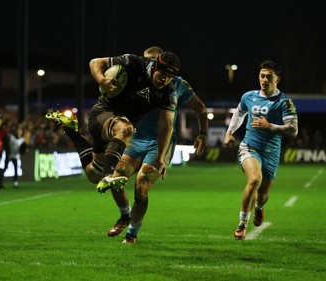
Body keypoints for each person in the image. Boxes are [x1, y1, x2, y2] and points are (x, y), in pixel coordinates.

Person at [107, 46, 208, 244]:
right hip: (135, 140)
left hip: (159, 143)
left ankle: (132, 234)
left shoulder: (177, 85)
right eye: (146, 62)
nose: (148, 66)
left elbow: (200, 109)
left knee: (141, 185)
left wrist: (203, 133)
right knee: (115, 178)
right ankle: (125, 214)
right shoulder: (134, 79)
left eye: (152, 62)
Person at [46, 51, 181, 194]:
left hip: (115, 133)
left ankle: (72, 131)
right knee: (126, 129)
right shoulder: (133, 63)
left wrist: (160, 158)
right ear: (155, 66)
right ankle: (107, 176)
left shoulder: (169, 92)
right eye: (162, 74)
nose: (164, 80)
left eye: (169, 77)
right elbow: (95, 62)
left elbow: (167, 125)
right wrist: (101, 80)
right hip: (102, 114)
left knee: (93, 174)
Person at [223, 60, 298, 240]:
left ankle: (259, 208)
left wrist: (269, 126)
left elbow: (293, 129)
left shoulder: (284, 102)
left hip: (272, 152)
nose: (264, 80)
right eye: (262, 76)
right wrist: (229, 132)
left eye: (269, 77)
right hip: (250, 147)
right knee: (255, 179)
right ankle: (242, 224)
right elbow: (239, 113)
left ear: (277, 79)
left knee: (263, 195)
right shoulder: (249, 96)